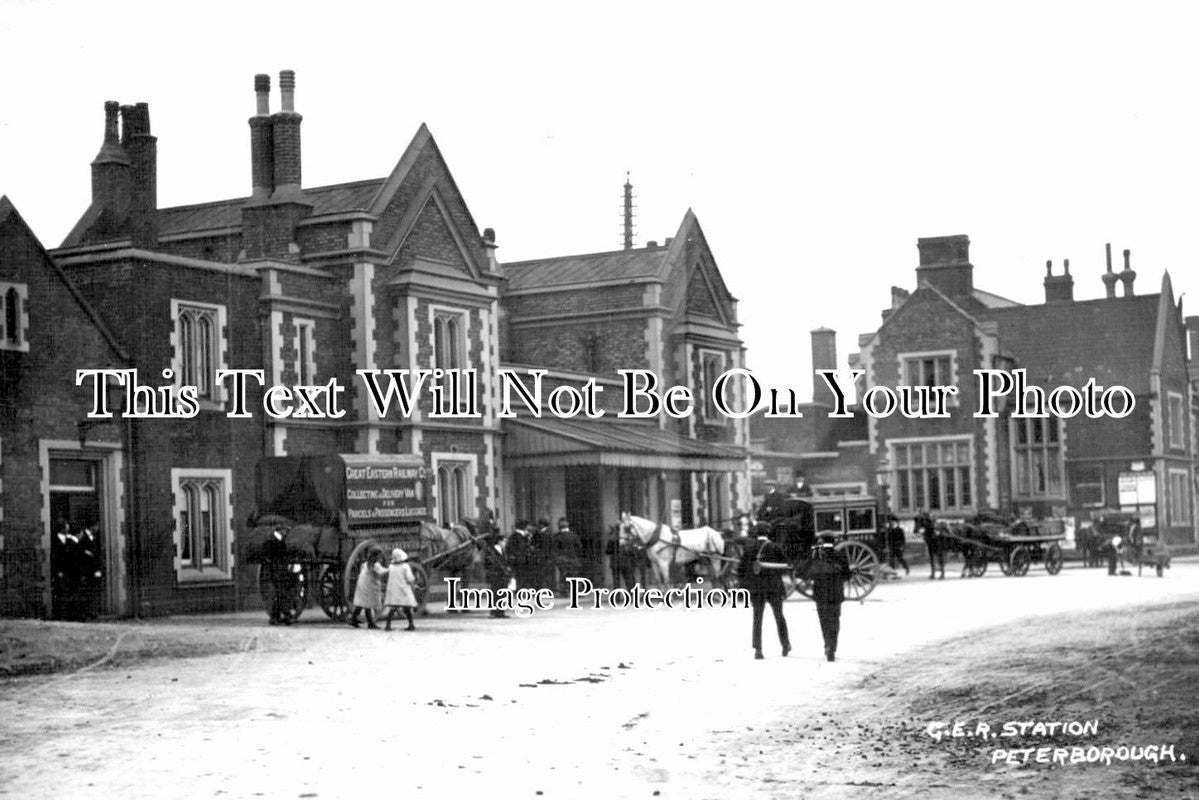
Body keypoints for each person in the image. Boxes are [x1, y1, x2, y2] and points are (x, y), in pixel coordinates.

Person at [737, 522, 791, 660]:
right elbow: (785, 567)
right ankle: (785, 645)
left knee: (757, 618)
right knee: (779, 616)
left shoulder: (749, 548)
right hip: (774, 587)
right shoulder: (775, 547)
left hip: (757, 589)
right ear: (768, 533)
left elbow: (741, 570)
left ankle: (758, 649)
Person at [796, 532, 852, 662]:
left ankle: (827, 644)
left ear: (821, 541)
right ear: (834, 541)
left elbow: (801, 572)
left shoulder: (815, 554)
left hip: (820, 592)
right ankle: (832, 646)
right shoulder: (840, 555)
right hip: (836, 592)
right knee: (835, 620)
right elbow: (847, 575)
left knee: (823, 620)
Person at [261, 527, 296, 626]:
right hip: (276, 571)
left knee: (280, 594)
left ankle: (277, 617)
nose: (285, 533)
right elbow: (270, 557)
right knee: (281, 594)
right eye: (284, 531)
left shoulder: (278, 541)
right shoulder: (273, 541)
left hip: (279, 570)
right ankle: (284, 616)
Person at [50, 516, 81, 621]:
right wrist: (58, 571)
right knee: (60, 593)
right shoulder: (54, 540)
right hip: (60, 571)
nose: (68, 528)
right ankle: (60, 615)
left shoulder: (69, 539)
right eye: (66, 527)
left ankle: (69, 615)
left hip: (70, 571)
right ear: (62, 528)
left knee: (69, 592)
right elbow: (54, 558)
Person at [348, 548, 387, 629]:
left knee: (362, 604)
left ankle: (354, 619)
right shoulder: (375, 565)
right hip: (369, 586)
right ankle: (370, 623)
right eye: (380, 556)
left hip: (362, 585)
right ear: (377, 556)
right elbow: (382, 572)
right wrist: (391, 569)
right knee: (368, 605)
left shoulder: (365, 564)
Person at [383, 548, 418, 631]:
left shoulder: (391, 566)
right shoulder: (405, 566)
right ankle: (411, 624)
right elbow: (410, 579)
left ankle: (388, 625)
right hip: (403, 589)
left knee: (393, 608)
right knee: (407, 608)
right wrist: (413, 584)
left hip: (394, 590)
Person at [481, 530, 514, 618]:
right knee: (495, 594)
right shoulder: (491, 551)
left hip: (503, 575)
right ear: (499, 541)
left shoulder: (503, 550)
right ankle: (493, 612)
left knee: (503, 594)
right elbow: (487, 563)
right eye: (504, 541)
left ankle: (501, 612)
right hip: (495, 575)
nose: (505, 542)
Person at [77, 518, 104, 620]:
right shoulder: (82, 537)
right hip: (85, 569)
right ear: (92, 526)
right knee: (85, 591)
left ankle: (91, 611)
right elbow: (79, 553)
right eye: (97, 526)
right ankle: (84, 613)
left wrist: (97, 569)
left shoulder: (94, 537)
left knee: (92, 591)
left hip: (93, 569)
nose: (98, 528)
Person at [505, 520, 535, 589]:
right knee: (522, 577)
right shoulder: (520, 537)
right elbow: (522, 549)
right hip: (522, 561)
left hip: (516, 561)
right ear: (524, 528)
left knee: (519, 577)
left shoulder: (513, 536)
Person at [554, 518, 582, 593]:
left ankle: (564, 590)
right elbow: (579, 546)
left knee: (563, 575)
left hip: (562, 558)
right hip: (573, 558)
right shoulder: (574, 535)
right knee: (574, 575)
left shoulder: (557, 536)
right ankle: (576, 591)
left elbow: (555, 548)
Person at [914, 509, 943, 580]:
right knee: (932, 557)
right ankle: (933, 573)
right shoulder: (927, 525)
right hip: (930, 540)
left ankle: (942, 572)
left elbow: (937, 531)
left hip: (936, 541)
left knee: (938, 555)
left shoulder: (936, 524)